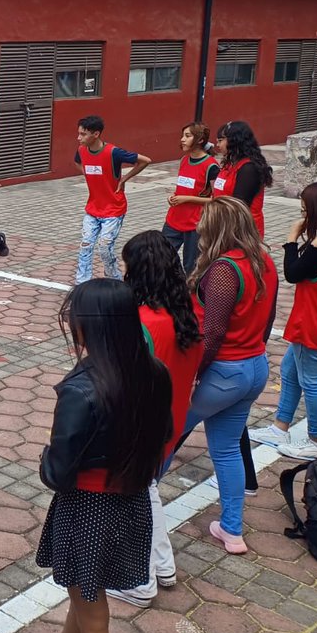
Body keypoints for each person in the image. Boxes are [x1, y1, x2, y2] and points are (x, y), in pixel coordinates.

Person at [17, 279, 171, 633]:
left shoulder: (81, 389)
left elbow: (57, 471)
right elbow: (164, 433)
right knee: (85, 596)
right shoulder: (154, 372)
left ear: (91, 326)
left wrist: (44, 458)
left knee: (94, 614)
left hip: (89, 509)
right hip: (132, 500)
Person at [105, 231, 202, 609]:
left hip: (138, 428)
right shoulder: (188, 312)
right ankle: (163, 565)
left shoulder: (142, 322)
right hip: (170, 421)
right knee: (147, 492)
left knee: (131, 501)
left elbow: (123, 383)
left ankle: (139, 583)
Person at [182, 197, 277, 554]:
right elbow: (266, 319)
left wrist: (194, 375)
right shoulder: (263, 261)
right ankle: (232, 530)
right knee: (226, 450)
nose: (198, 230)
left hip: (224, 370)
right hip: (253, 366)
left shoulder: (225, 268)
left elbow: (214, 331)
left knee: (164, 435)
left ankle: (135, 512)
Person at [250, 180, 317, 461]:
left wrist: (291, 238)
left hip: (311, 321)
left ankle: (316, 440)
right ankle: (280, 427)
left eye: (306, 210)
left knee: (312, 381)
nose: (303, 216)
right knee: (289, 371)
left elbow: (293, 273)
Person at [74, 116, 150, 284]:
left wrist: (124, 179)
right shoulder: (81, 150)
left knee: (104, 246)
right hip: (93, 208)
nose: (79, 138)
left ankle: (114, 278)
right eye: (78, 133)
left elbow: (145, 161)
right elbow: (78, 162)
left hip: (113, 210)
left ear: (96, 134)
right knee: (86, 244)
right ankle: (81, 283)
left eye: (83, 134)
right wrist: (87, 173)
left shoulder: (113, 152)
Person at [162, 122, 219, 274]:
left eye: (187, 136)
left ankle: (190, 295)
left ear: (200, 140)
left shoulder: (211, 166)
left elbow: (217, 199)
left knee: (191, 267)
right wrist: (173, 197)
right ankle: (177, 286)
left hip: (196, 225)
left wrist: (187, 199)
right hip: (174, 219)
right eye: (182, 136)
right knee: (162, 256)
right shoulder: (184, 160)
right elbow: (183, 188)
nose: (182, 139)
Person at [211, 120, 271, 239]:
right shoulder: (229, 164)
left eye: (220, 140)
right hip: (223, 225)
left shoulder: (249, 168)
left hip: (241, 231)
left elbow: (239, 205)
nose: (217, 145)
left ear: (234, 140)